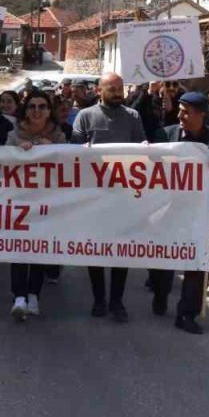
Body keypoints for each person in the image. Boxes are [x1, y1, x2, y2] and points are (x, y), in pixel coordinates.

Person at [148, 91, 209, 334]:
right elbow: (149, 168)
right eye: (180, 111)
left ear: (202, 114)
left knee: (198, 261)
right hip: (167, 208)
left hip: (199, 212)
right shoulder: (166, 134)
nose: (181, 115)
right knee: (164, 258)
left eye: (187, 112)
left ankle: (187, 313)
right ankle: (161, 293)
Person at [72, 72, 148, 322]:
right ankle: (99, 299)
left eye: (120, 88)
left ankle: (117, 301)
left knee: (120, 251)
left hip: (124, 197)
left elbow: (141, 147)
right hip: (94, 197)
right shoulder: (85, 116)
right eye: (112, 89)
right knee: (95, 250)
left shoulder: (133, 116)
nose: (118, 93)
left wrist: (147, 147)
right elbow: (73, 152)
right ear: (99, 91)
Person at [5, 89, 64, 322]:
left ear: (49, 111)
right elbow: (4, 160)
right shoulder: (13, 135)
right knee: (19, 247)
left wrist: (52, 149)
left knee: (39, 247)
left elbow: (69, 163)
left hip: (47, 201)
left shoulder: (59, 136)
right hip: (20, 200)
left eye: (42, 106)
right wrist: (19, 152)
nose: (37, 111)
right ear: (25, 111)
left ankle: (33, 295)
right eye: (32, 106)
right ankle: (18, 296)